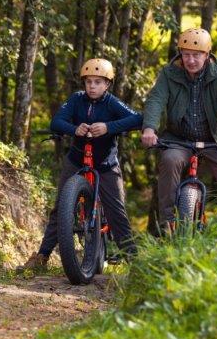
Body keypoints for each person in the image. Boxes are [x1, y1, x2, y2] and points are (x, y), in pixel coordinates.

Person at [18, 58, 141, 271]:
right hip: (76, 160)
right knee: (60, 208)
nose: (92, 86)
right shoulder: (76, 99)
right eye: (89, 82)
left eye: (98, 82)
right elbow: (56, 122)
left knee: (116, 211)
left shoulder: (112, 102)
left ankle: (136, 264)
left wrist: (109, 127)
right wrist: (74, 129)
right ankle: (42, 257)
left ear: (107, 84)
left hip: (105, 164)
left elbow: (138, 119)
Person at [140, 27, 217, 234]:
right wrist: (149, 129)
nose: (190, 60)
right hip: (179, 138)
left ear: (207, 55)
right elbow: (156, 99)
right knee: (170, 160)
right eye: (186, 55)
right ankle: (167, 224)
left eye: (196, 55)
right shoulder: (168, 73)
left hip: (216, 140)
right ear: (180, 54)